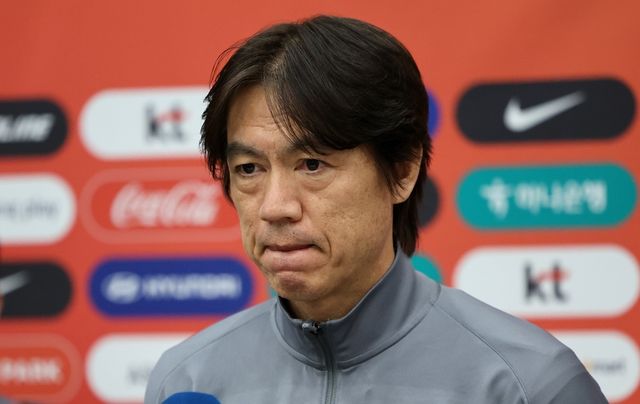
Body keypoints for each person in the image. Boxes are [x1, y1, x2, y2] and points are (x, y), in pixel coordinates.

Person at [145, 15, 608, 404]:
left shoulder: (530, 384)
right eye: (249, 169)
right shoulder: (186, 380)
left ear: (402, 171)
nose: (275, 207)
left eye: (312, 164)